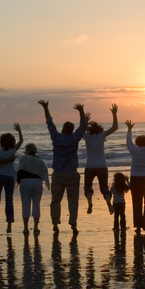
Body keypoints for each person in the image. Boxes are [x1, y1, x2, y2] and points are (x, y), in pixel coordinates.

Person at [40, 99, 88, 234]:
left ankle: (55, 223)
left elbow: (49, 123)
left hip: (58, 173)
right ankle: (73, 224)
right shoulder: (74, 138)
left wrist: (45, 108)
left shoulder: (56, 137)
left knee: (56, 200)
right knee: (73, 200)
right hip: (71, 173)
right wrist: (81, 111)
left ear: (63, 129)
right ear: (71, 130)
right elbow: (83, 126)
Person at [82, 103, 119, 214]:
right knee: (104, 188)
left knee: (88, 186)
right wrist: (114, 114)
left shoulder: (87, 136)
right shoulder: (102, 135)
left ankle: (89, 202)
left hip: (90, 166)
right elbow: (115, 127)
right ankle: (108, 203)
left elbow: (80, 130)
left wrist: (85, 119)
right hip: (102, 166)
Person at [126, 116, 145, 234]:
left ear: (137, 143)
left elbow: (128, 142)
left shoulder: (134, 151)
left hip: (136, 178)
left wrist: (129, 130)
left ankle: (138, 226)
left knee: (137, 202)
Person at [0, 123, 23, 233]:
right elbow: (21, 141)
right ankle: (9, 224)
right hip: (10, 176)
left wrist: (3, 160)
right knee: (9, 200)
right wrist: (19, 131)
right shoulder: (13, 150)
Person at [16, 143, 49, 235]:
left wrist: (18, 182)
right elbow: (44, 172)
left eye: (25, 149)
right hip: (37, 182)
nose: (24, 151)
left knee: (25, 204)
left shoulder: (23, 158)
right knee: (36, 204)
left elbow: (19, 170)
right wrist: (45, 182)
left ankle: (26, 228)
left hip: (25, 181)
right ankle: (35, 228)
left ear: (29, 150)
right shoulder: (40, 161)